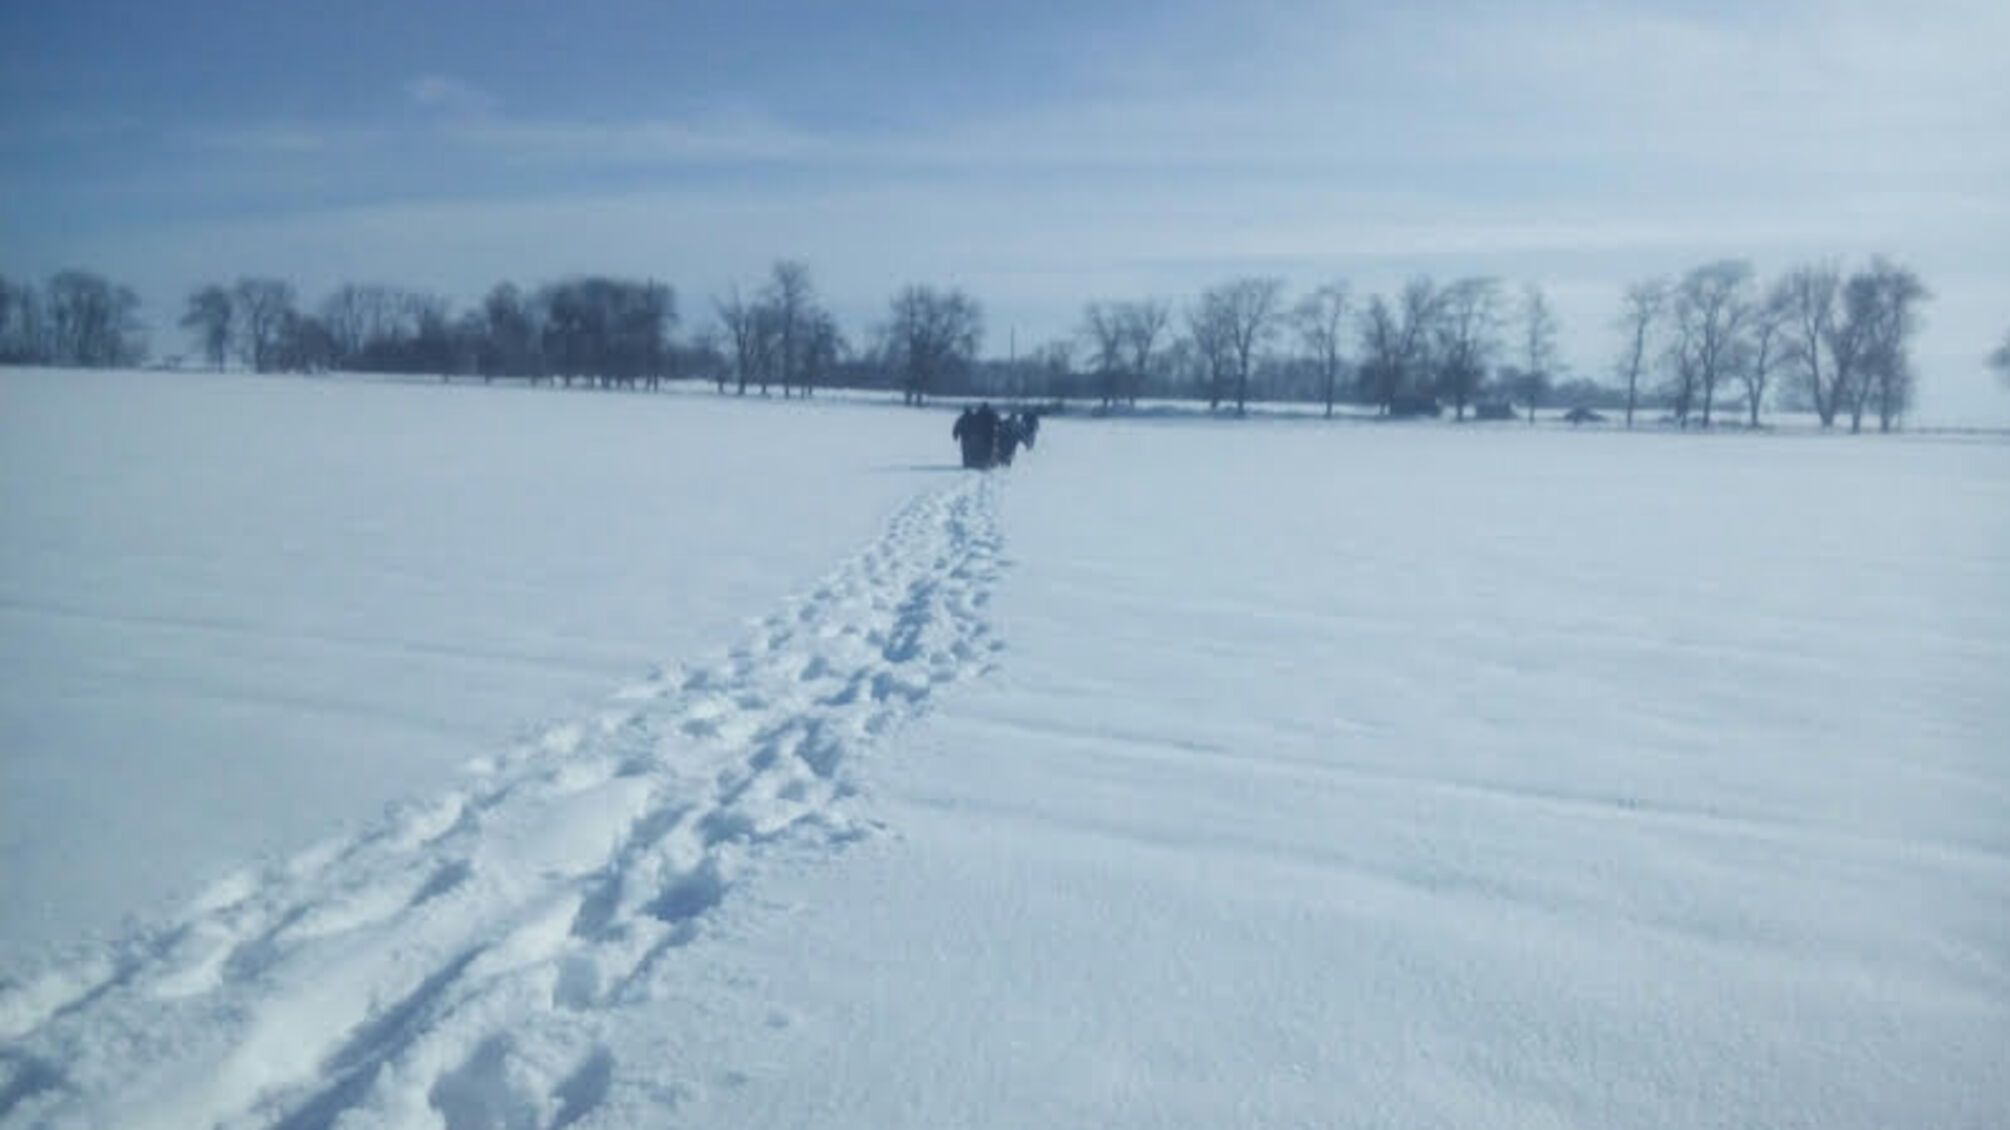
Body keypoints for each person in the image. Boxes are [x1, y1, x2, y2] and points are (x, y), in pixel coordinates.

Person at [952, 403, 999, 469]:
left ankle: (970, 463)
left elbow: (957, 427)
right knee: (991, 450)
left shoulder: (973, 416)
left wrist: (955, 435)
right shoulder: (989, 415)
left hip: (970, 437)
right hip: (987, 436)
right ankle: (988, 462)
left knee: (968, 451)